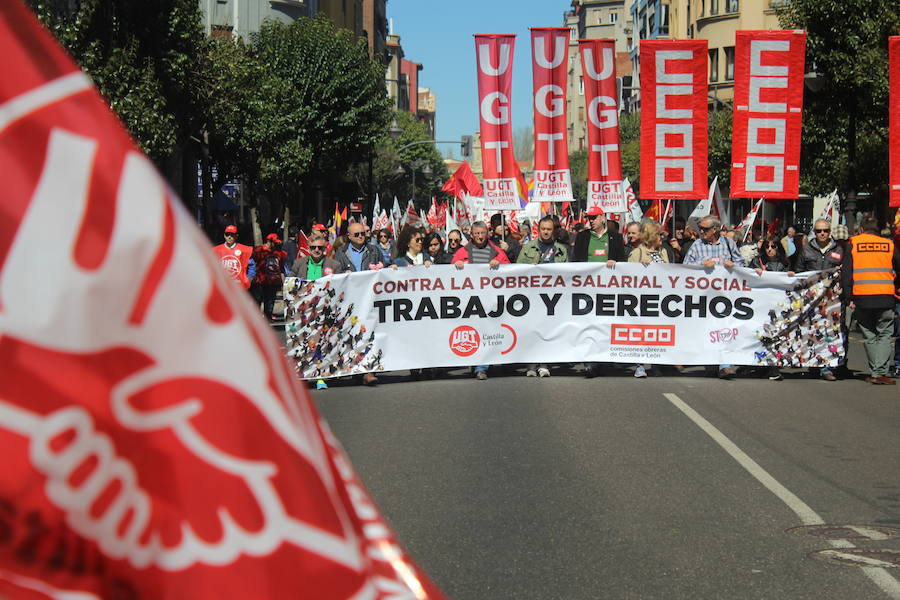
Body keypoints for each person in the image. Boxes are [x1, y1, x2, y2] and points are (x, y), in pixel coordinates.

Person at [682, 215, 745, 379]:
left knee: (723, 329)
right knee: (708, 329)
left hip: (725, 297)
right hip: (704, 297)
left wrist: (733, 265)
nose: (701, 231)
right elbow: (686, 266)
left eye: (704, 229)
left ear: (715, 229)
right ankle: (711, 362)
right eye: (700, 229)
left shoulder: (728, 244)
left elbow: (742, 265)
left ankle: (724, 365)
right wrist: (701, 265)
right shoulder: (697, 245)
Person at [842, 217, 900, 385]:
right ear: (878, 231)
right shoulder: (888, 245)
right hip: (885, 296)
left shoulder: (853, 244)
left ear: (861, 230)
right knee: (885, 334)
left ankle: (877, 372)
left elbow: (847, 273)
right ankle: (878, 372)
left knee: (869, 335)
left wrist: (848, 297)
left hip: (862, 297)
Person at [572, 206, 626, 377]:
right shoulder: (583, 236)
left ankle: (607, 357)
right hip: (587, 289)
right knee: (589, 324)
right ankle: (591, 361)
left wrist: (615, 262)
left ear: (603, 218)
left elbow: (622, 261)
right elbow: (575, 261)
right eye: (589, 218)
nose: (591, 220)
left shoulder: (615, 237)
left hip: (609, 288)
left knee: (607, 323)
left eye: (594, 217)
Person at [453, 221, 510, 379]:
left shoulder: (497, 251)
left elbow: (509, 270)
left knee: (487, 331)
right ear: (471, 234)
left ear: (487, 234)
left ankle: (481, 366)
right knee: (474, 332)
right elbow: (450, 274)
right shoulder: (461, 252)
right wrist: (455, 265)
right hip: (469, 300)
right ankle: (478, 365)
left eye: (482, 233)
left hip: (491, 299)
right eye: (476, 233)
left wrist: (500, 264)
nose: (479, 236)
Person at [518, 216, 569, 378]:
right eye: (543, 229)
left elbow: (569, 272)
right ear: (538, 230)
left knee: (548, 330)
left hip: (553, 296)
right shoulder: (528, 247)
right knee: (532, 329)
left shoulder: (561, 249)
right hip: (532, 296)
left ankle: (544, 363)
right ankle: (531, 364)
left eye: (549, 229)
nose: (546, 232)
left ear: (553, 231)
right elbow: (517, 270)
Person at [334, 222, 383, 385]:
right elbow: (335, 275)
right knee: (353, 335)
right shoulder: (341, 253)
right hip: (351, 301)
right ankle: (355, 368)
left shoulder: (374, 251)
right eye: (357, 234)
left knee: (369, 333)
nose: (361, 236)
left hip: (370, 299)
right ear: (349, 237)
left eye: (363, 233)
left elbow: (384, 270)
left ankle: (368, 370)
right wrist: (343, 274)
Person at [796, 219, 844, 381]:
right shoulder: (806, 250)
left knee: (829, 332)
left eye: (825, 231)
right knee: (811, 331)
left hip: (832, 298)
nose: (822, 234)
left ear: (830, 232)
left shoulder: (839, 249)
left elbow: (845, 271)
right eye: (818, 231)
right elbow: (799, 271)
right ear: (814, 232)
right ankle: (812, 362)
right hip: (812, 298)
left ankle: (826, 367)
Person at [627, 221, 668, 378]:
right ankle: (640, 365)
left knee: (656, 332)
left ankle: (656, 363)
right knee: (641, 332)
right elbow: (627, 275)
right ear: (651, 235)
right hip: (641, 299)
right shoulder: (638, 253)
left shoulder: (663, 252)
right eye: (659, 234)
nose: (662, 237)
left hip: (660, 299)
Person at [751, 235, 795, 381]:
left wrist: (790, 276)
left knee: (774, 334)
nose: (770, 250)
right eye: (767, 247)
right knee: (760, 334)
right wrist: (753, 272)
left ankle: (772, 367)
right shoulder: (757, 261)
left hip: (777, 306)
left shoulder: (785, 263)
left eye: (773, 247)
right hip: (759, 304)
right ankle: (759, 366)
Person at [252, 233, 288, 322]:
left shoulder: (279, 253)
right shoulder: (259, 250)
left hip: (274, 280)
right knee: (258, 299)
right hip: (261, 279)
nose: (276, 244)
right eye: (274, 243)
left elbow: (282, 266)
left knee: (270, 300)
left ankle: (268, 317)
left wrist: (283, 279)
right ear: (269, 241)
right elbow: (253, 262)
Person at [213, 224, 254, 290]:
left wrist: (249, 279)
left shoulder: (244, 250)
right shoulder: (216, 250)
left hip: (240, 286)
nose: (229, 237)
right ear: (224, 235)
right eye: (227, 234)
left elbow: (252, 265)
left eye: (232, 234)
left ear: (236, 236)